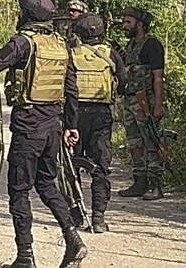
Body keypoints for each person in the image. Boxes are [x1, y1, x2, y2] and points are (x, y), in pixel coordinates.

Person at [0, 0, 87, 267]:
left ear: (25, 15)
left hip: (28, 127)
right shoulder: (60, 45)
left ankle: (25, 257)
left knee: (19, 190)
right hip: (53, 129)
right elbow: (71, 87)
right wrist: (71, 125)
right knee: (47, 184)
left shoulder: (23, 43)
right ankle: (73, 239)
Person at [69, 13, 125, 234]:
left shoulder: (71, 53)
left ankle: (76, 215)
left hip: (74, 114)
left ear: (79, 33)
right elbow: (123, 84)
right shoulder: (111, 53)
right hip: (101, 114)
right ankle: (99, 218)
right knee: (100, 167)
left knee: (71, 166)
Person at [117, 7, 166, 200]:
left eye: (128, 22)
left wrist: (158, 105)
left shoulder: (151, 45)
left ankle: (155, 185)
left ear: (140, 24)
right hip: (130, 100)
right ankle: (139, 181)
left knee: (151, 141)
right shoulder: (131, 46)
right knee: (134, 142)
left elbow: (158, 77)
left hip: (146, 100)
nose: (124, 26)